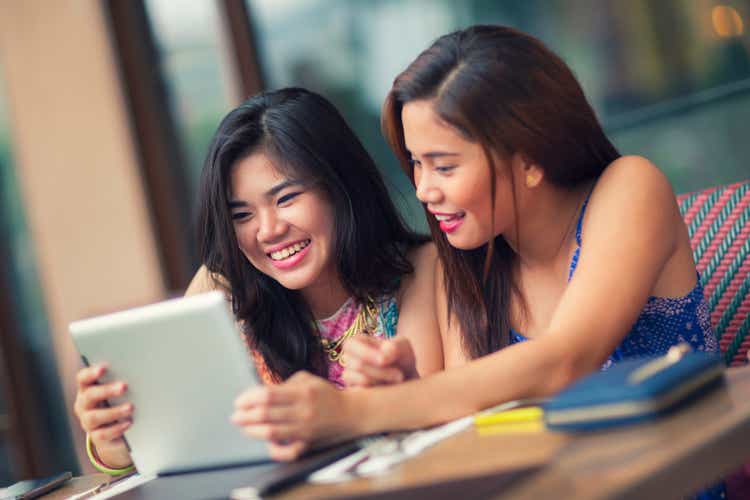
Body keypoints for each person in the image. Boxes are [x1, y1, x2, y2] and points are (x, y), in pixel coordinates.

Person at [232, 25, 719, 467]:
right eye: (415, 164)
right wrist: (411, 395)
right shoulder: (473, 257)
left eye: (443, 166)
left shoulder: (629, 188)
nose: (423, 190)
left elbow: (565, 360)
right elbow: (480, 426)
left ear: (529, 157)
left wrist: (356, 409)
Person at [72, 88, 442, 471]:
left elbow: (436, 413)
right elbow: (187, 440)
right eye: (242, 215)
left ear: (341, 186)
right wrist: (115, 441)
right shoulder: (220, 290)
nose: (267, 231)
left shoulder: (423, 270)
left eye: (285, 199)